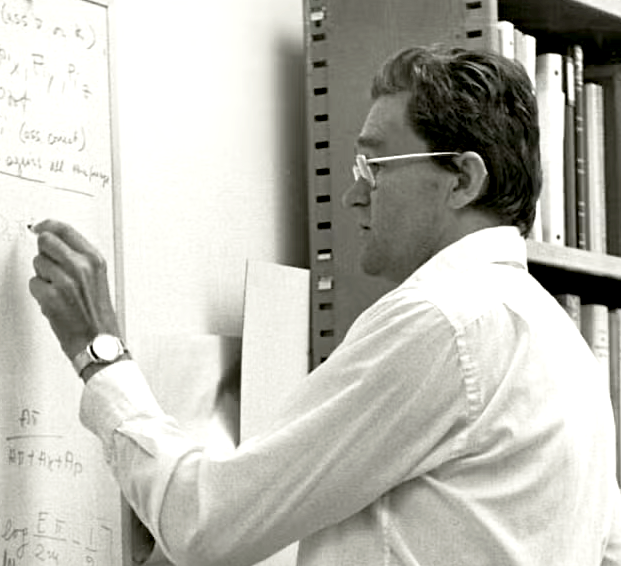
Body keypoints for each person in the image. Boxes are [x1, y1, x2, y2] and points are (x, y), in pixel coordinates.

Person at [29, 45, 621, 566]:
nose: (352, 193)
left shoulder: (443, 321)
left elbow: (206, 524)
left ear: (462, 180)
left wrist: (97, 350)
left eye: (373, 164)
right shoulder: (563, 345)